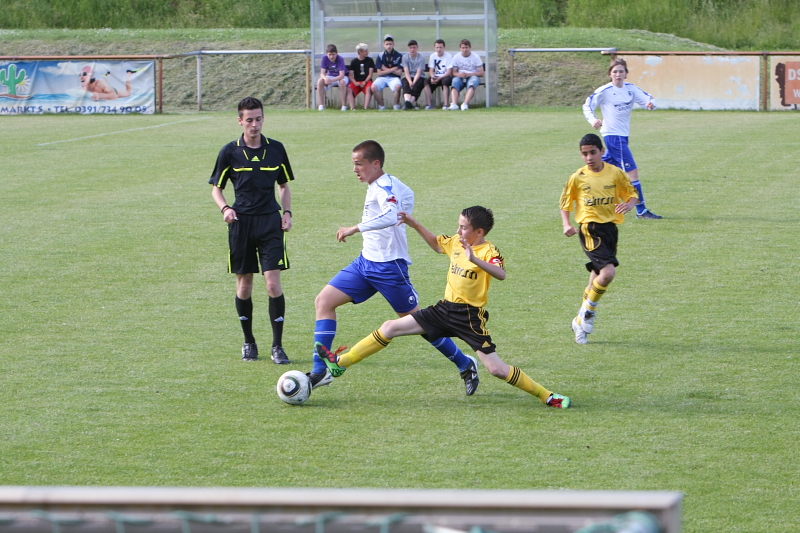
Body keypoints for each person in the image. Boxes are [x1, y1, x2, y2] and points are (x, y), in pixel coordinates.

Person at [315, 206, 571, 409]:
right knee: (390, 327)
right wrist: (415, 224)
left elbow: (501, 274)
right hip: (443, 310)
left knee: (496, 369)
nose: (458, 231)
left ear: (479, 232)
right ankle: (340, 364)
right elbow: (438, 244)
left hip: (469, 317)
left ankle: (548, 396)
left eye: (463, 227)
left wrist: (475, 259)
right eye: (458, 226)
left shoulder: (488, 251)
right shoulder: (457, 242)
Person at [308, 140, 479, 395]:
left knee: (420, 324)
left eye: (359, 164)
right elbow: (407, 194)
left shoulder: (384, 186)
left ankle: (465, 364)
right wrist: (403, 212)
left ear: (375, 163)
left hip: (389, 268)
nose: (355, 169)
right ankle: (319, 371)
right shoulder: (385, 184)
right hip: (365, 263)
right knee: (323, 301)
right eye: (354, 164)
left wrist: (355, 228)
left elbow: (389, 215)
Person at [209, 97, 294, 363]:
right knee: (244, 286)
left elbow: (283, 185)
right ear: (240, 121)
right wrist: (225, 209)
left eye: (258, 119)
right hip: (241, 224)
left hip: (270, 222)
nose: (254, 125)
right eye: (249, 120)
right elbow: (216, 189)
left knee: (273, 284)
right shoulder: (229, 152)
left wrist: (287, 213)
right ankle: (249, 342)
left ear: (263, 119)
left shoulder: (276, 149)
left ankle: (277, 346)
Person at [559, 134, 638, 345]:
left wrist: (629, 205)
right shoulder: (577, 177)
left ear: (602, 151)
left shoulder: (615, 173)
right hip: (590, 229)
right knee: (608, 272)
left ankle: (578, 322)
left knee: (595, 276)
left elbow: (632, 194)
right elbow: (565, 202)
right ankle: (588, 312)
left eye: (592, 152)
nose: (589, 157)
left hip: (610, 229)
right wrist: (566, 224)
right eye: (584, 154)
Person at [582, 58, 661, 219]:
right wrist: (593, 120)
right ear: (609, 74)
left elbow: (648, 98)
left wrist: (651, 104)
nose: (618, 74)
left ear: (626, 74)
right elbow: (587, 105)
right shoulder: (604, 91)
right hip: (613, 136)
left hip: (622, 136)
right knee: (632, 173)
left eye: (621, 71)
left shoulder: (630, 89)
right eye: (615, 71)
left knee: (602, 168)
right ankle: (641, 210)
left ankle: (585, 191)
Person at [371, 34, 404, 111]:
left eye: (390, 44)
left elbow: (399, 73)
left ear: (393, 44)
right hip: (382, 78)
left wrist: (385, 69)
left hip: (394, 78)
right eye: (387, 44)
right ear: (384, 45)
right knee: (373, 87)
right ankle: (382, 106)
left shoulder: (399, 55)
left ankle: (396, 106)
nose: (389, 46)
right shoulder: (380, 55)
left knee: (398, 86)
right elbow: (379, 73)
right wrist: (392, 69)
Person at [449, 39, 483, 111]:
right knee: (455, 82)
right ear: (460, 48)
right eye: (463, 48)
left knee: (472, 83)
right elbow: (453, 72)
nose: (464, 50)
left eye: (466, 47)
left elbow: (481, 73)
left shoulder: (476, 57)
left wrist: (469, 74)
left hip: (473, 76)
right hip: (460, 76)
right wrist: (459, 75)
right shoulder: (456, 57)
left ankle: (465, 104)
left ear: (470, 47)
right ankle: (454, 104)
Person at [316, 44, 350, 111]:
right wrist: (325, 78)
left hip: (342, 77)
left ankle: (343, 106)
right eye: (330, 54)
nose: (331, 57)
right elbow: (322, 73)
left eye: (333, 54)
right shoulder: (324, 58)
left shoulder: (340, 59)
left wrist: (331, 80)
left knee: (342, 83)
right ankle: (321, 105)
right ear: (327, 54)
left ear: (337, 53)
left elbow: (342, 75)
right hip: (330, 76)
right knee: (320, 81)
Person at [401, 40, 430, 110]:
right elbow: (406, 71)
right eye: (411, 48)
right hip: (408, 76)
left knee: (417, 86)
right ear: (408, 48)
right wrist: (410, 82)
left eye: (414, 47)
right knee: (406, 85)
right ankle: (408, 102)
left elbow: (419, 72)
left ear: (417, 47)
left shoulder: (421, 58)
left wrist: (413, 82)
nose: (412, 49)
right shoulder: (405, 57)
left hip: (419, 77)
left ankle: (407, 105)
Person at [347, 43, 375, 110]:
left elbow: (370, 74)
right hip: (357, 81)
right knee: (348, 89)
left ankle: (365, 108)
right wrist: (355, 82)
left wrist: (365, 81)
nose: (367, 52)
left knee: (368, 89)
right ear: (360, 52)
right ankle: (352, 108)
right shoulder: (354, 61)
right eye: (365, 51)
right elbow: (350, 75)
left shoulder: (370, 60)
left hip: (366, 80)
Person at [428, 39, 453, 110]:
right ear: (434, 48)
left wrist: (439, 78)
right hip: (436, 76)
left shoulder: (448, 56)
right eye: (437, 47)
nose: (439, 49)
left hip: (445, 76)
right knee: (426, 82)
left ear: (444, 47)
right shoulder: (432, 56)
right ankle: (428, 104)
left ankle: (446, 104)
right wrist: (432, 77)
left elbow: (449, 72)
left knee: (445, 82)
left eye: (440, 47)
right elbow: (431, 70)